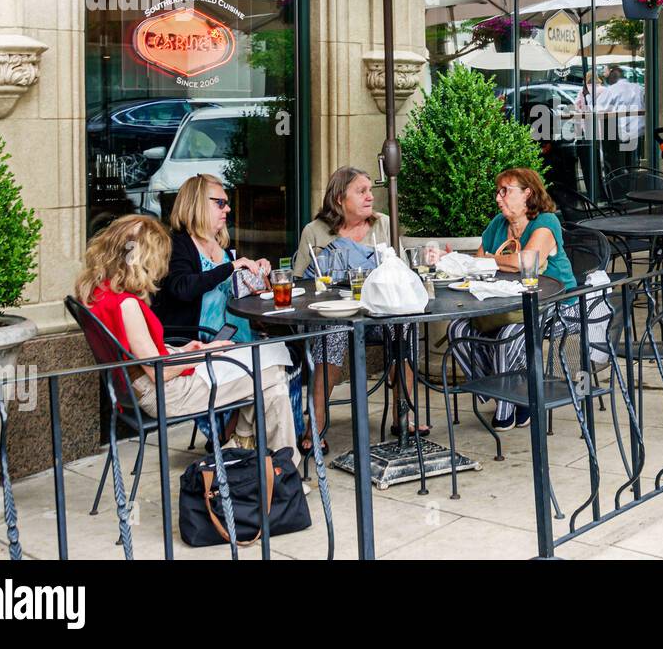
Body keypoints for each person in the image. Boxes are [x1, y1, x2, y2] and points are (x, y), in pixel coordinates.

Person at [78, 214, 297, 454]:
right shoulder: (126, 305)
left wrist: (185, 350)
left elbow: (146, 358)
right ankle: (281, 468)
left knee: (266, 372)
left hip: (138, 387)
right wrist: (204, 353)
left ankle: (244, 447)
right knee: (274, 374)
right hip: (165, 394)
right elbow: (159, 371)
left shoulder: (98, 293)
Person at [290, 167, 425, 447]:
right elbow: (298, 286)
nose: (370, 197)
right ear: (340, 198)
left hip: (376, 317)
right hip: (331, 317)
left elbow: (401, 274)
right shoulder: (314, 232)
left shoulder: (384, 225)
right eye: (361, 191)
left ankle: (403, 414)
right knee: (334, 331)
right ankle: (316, 422)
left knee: (406, 324)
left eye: (369, 190)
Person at [444, 167, 577, 430]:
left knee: (508, 336)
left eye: (505, 191)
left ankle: (507, 407)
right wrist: (492, 262)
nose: (498, 197)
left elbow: (525, 262)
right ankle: (511, 395)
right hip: (505, 304)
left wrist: (490, 261)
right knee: (456, 329)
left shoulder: (546, 222)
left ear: (527, 193)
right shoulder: (498, 224)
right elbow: (477, 265)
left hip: (555, 304)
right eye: (498, 191)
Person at [152, 174, 276, 445]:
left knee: (283, 356)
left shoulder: (223, 247)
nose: (227, 209)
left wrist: (255, 275)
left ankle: (234, 432)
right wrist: (231, 267)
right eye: (220, 203)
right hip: (197, 340)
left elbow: (231, 291)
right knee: (271, 366)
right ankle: (237, 436)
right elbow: (183, 288)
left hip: (232, 334)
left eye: (227, 203)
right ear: (198, 204)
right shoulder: (178, 244)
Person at [598, 65, 645, 177]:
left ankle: (620, 186)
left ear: (612, 75)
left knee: (617, 166)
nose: (605, 77)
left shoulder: (611, 90)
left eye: (607, 73)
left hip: (618, 133)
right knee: (632, 165)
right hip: (636, 132)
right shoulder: (637, 88)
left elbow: (597, 108)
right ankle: (632, 184)